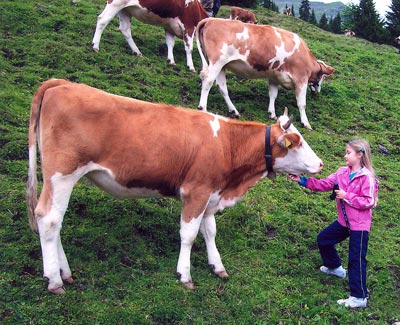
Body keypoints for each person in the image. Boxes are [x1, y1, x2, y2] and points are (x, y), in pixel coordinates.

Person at [289, 139, 379, 308]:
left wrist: (347, 197)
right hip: (344, 222)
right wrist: (302, 180)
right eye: (345, 152)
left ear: (359, 155)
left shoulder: (367, 177)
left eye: (348, 153)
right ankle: (334, 267)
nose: (345, 155)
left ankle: (359, 297)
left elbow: (370, 201)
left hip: (359, 225)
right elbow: (324, 184)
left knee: (356, 259)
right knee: (323, 239)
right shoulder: (341, 173)